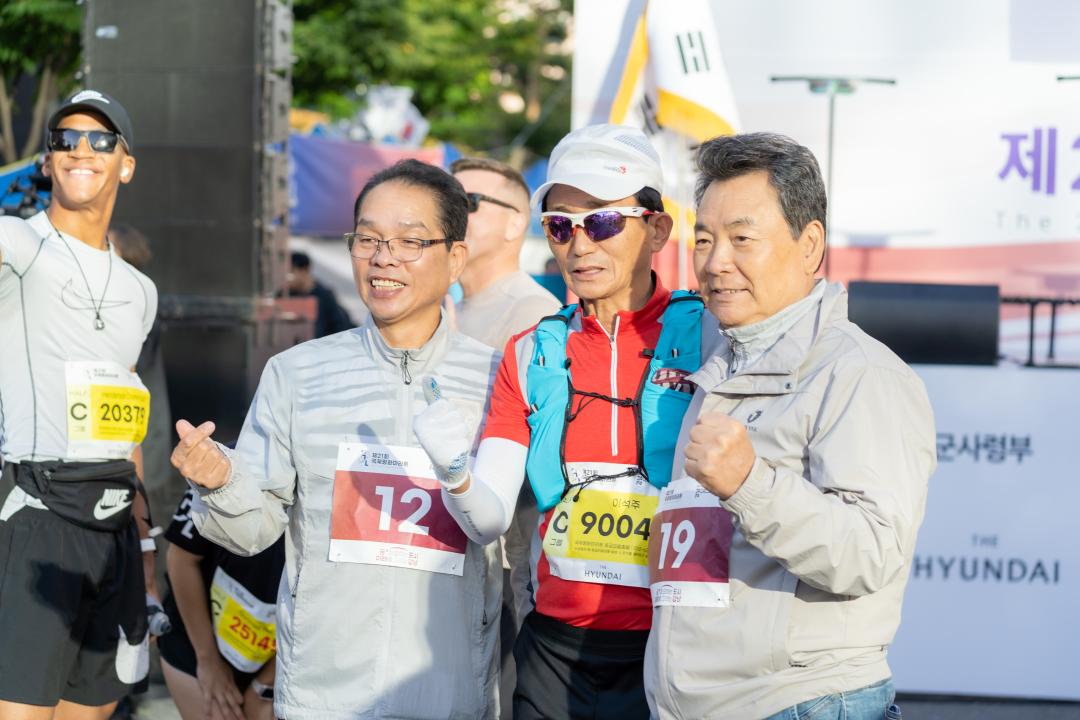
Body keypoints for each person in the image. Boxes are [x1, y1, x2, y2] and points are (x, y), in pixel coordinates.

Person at [171, 159, 502, 718]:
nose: (383, 258)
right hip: (323, 697)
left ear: (455, 257)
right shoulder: (297, 374)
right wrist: (221, 483)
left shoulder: (497, 381)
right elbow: (254, 531)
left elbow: (512, 535)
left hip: (449, 697)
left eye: (409, 241)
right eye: (367, 238)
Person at [414, 124, 711, 720]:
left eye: (601, 221)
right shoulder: (531, 350)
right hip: (552, 647)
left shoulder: (712, 336)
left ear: (657, 229)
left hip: (676, 645)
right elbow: (489, 518)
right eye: (559, 225)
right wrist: (455, 473)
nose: (579, 244)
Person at [644, 132, 935, 719]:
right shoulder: (719, 361)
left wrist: (750, 483)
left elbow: (870, 552)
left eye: (742, 238)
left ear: (810, 245)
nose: (716, 262)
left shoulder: (860, 372)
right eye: (705, 239)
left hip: (802, 702)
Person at [0, 89, 159, 719]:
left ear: (127, 163)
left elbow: (127, 422)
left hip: (115, 529)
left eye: (100, 140)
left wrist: (145, 548)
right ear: (48, 161)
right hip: (37, 517)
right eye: (65, 140)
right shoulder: (19, 244)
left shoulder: (140, 290)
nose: (81, 151)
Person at [158, 488, 284, 720]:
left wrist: (266, 683)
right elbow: (180, 559)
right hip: (198, 637)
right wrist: (208, 660)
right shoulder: (236, 469)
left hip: (282, 654)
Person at [450, 157, 560, 350]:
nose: (451, 214)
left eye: (468, 202)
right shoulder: (449, 310)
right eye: (447, 203)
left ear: (515, 225)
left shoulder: (534, 312)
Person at [285, 250, 353, 338]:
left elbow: (340, 326)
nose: (287, 278)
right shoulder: (285, 295)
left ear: (304, 270)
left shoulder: (324, 296)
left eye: (291, 272)